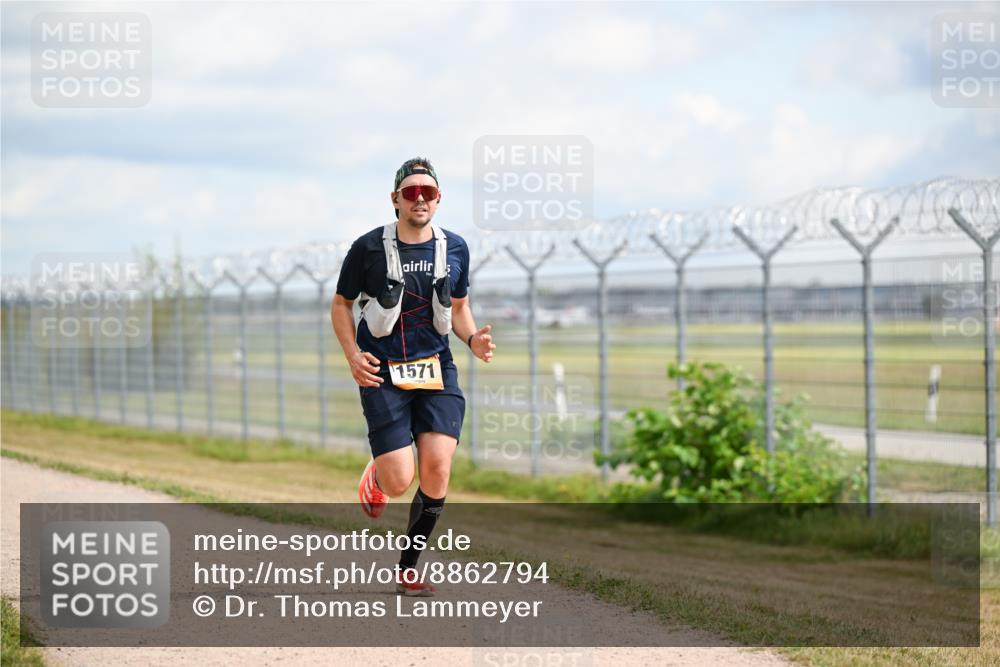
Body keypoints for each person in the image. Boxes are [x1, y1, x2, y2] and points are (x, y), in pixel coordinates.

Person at [330, 157, 495, 597]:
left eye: (428, 192)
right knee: (400, 480)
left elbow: (458, 309)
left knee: (438, 468)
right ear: (396, 199)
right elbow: (341, 304)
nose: (419, 199)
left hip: (436, 368)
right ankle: (381, 474)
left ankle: (408, 566)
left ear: (439, 199)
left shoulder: (455, 247)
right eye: (411, 192)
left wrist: (473, 339)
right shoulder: (367, 247)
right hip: (382, 371)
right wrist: (352, 356)